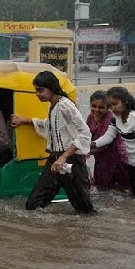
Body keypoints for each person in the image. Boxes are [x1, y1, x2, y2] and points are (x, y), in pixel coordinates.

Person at [11, 71, 96, 214]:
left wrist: (63, 157)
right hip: (54, 161)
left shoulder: (65, 105)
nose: (37, 94)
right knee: (33, 203)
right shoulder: (53, 105)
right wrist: (24, 120)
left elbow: (85, 133)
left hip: (71, 161)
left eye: (40, 90)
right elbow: (50, 126)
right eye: (36, 91)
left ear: (51, 88)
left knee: (84, 210)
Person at [91, 86, 135, 202]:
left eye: (115, 104)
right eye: (110, 105)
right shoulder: (116, 118)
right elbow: (109, 136)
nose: (112, 108)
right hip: (133, 165)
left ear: (125, 102)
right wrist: (92, 144)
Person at [86, 90, 130, 192]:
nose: (96, 110)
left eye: (101, 107)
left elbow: (105, 144)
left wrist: (83, 151)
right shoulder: (90, 117)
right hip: (100, 158)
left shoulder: (110, 118)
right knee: (101, 188)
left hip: (117, 158)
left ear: (108, 107)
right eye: (93, 106)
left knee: (120, 191)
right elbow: (86, 135)